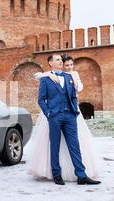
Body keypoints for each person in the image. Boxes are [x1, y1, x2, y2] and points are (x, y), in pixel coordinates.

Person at [28, 54, 101, 185]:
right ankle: (56, 174)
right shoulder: (45, 79)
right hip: (54, 116)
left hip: (70, 116)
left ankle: (81, 175)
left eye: (61, 60)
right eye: (57, 60)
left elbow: (73, 95)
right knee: (54, 146)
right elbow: (41, 100)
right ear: (50, 62)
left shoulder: (69, 76)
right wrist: (48, 113)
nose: (60, 61)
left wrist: (74, 111)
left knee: (75, 145)